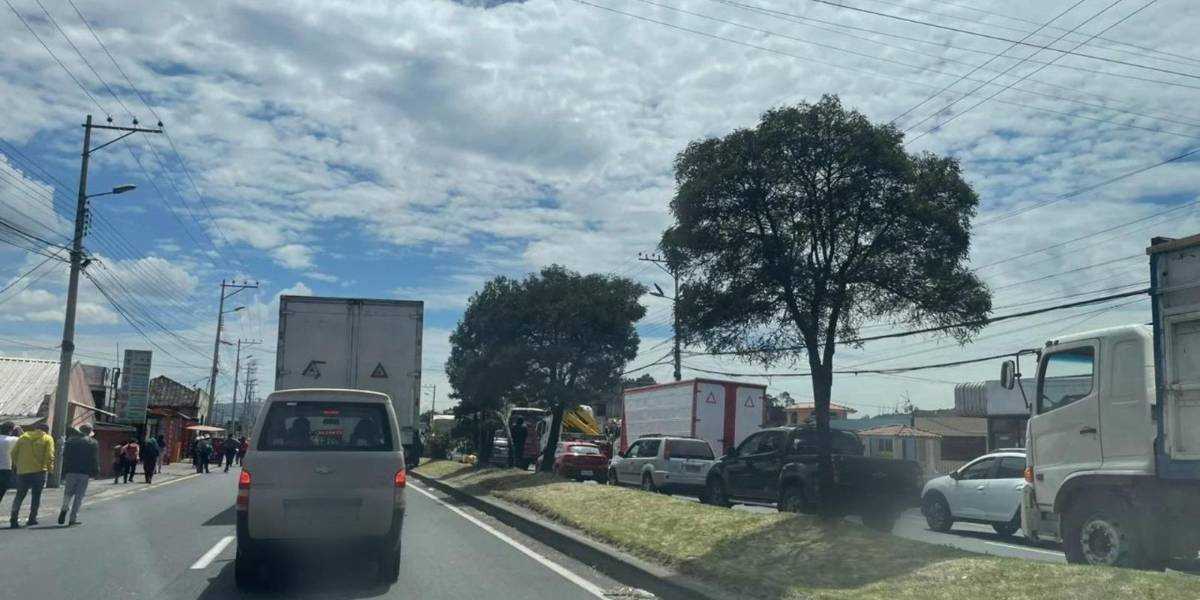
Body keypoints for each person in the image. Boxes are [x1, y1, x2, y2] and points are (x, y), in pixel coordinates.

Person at [9, 422, 54, 528]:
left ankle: (14, 517)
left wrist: (18, 464)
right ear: (46, 430)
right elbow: (50, 456)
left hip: (23, 471)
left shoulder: (23, 438)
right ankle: (32, 518)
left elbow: (13, 453)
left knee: (19, 495)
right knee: (36, 496)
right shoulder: (47, 438)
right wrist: (50, 470)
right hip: (39, 471)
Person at [59, 424, 99, 526]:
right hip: (84, 472)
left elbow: (65, 455)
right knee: (79, 496)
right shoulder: (92, 443)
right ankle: (73, 518)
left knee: (68, 492)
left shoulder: (70, 441)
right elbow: (94, 459)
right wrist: (95, 471)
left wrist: (64, 470)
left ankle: (64, 507)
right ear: (90, 432)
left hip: (71, 471)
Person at [0, 422, 18, 504]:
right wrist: (19, 429)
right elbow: (24, 439)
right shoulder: (11, 440)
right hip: (5, 468)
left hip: (4, 468)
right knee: (1, 490)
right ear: (11, 430)